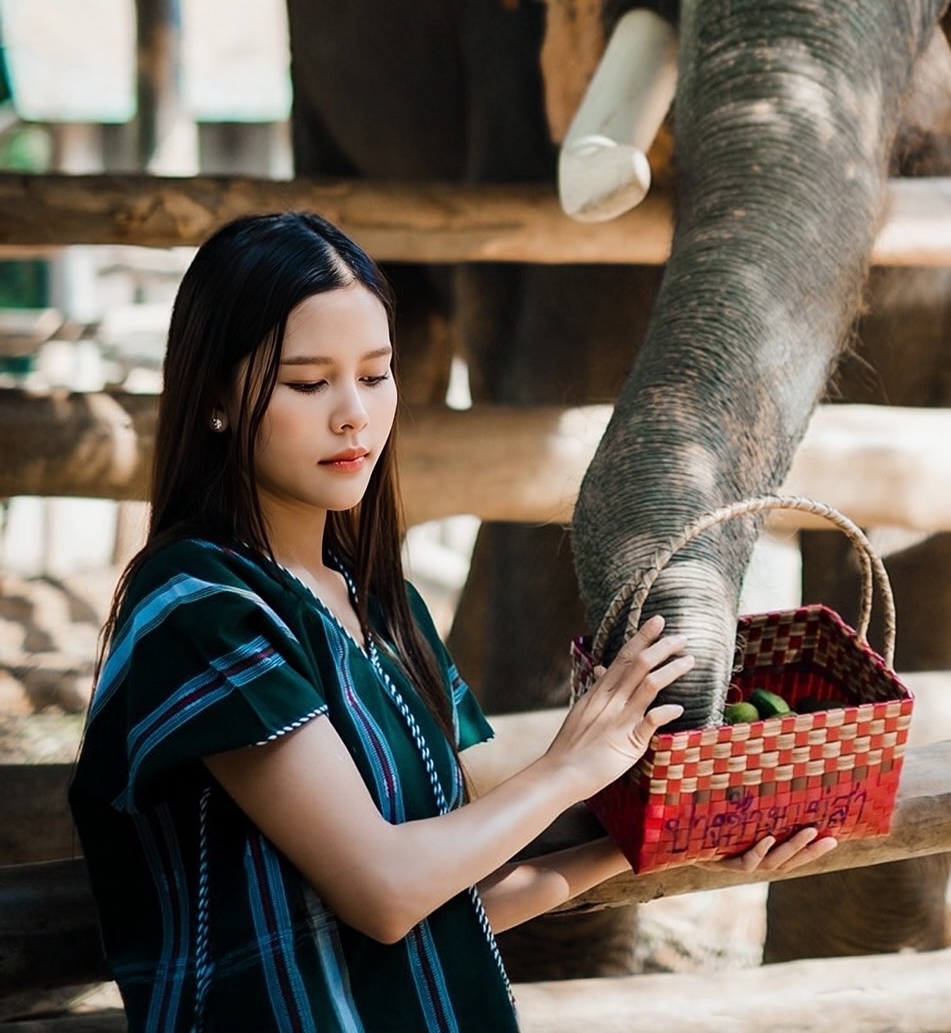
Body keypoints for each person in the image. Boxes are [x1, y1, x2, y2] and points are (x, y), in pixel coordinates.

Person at [70, 211, 833, 1031]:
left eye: (375, 374)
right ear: (218, 396)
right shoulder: (198, 607)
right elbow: (386, 891)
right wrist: (569, 766)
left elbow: (455, 902)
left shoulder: (379, 604)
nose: (353, 414)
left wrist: (674, 837)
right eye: (307, 381)